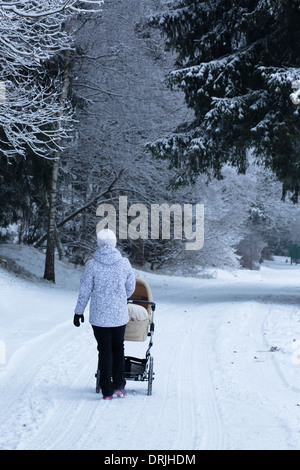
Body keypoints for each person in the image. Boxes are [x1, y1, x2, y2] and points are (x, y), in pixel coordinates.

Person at [73, 228, 136, 400]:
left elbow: (85, 290)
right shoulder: (124, 263)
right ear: (115, 242)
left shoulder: (92, 265)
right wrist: (121, 297)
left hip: (99, 317)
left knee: (104, 350)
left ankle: (106, 391)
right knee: (118, 349)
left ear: (99, 244)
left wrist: (79, 312)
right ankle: (119, 386)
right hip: (119, 316)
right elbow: (131, 287)